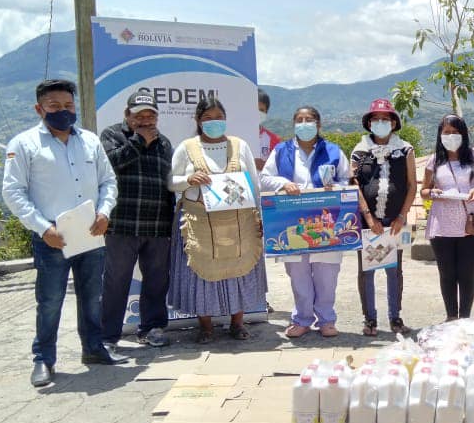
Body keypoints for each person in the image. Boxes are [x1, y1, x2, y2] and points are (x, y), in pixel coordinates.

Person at [2, 79, 127, 387]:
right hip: (52, 238)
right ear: (39, 108)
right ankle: (43, 360)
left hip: (90, 234)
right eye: (55, 107)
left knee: (92, 297)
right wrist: (43, 228)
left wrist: (104, 212)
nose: (63, 112)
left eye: (68, 106)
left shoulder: (90, 141)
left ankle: (94, 349)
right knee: (50, 300)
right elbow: (13, 192)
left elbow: (107, 182)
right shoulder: (25, 144)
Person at [168, 97, 267, 344]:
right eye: (208, 118)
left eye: (218, 117)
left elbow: (254, 184)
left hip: (240, 221)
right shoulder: (187, 147)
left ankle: (237, 323)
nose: (214, 122)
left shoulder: (239, 146)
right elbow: (171, 182)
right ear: (198, 121)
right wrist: (189, 179)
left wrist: (260, 217)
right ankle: (206, 327)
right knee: (202, 271)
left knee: (240, 270)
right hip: (200, 221)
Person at [260, 106, 350, 338]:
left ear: (318, 124)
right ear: (294, 125)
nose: (304, 124)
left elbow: (347, 181)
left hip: (326, 222)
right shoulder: (282, 151)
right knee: (298, 274)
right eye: (299, 120)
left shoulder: (333, 151)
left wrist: (335, 187)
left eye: (309, 120)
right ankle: (301, 319)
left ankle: (327, 320)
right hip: (293, 221)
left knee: (327, 274)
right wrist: (283, 184)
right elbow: (265, 178)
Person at [98, 91, 175, 349]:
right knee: (116, 282)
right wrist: (139, 142)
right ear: (126, 115)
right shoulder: (111, 135)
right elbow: (108, 166)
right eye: (138, 115)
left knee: (156, 281)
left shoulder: (164, 142)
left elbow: (168, 184)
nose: (145, 120)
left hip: (157, 226)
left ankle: (152, 329)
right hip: (121, 225)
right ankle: (108, 336)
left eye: (150, 115)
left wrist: (170, 224)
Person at [350, 99, 417, 336]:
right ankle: (369, 319)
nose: (380, 123)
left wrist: (402, 215)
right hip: (369, 224)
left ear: (394, 123)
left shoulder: (405, 150)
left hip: (395, 223)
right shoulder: (359, 151)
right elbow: (355, 185)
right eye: (376, 119)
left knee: (394, 270)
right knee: (367, 271)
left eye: (385, 119)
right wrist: (368, 218)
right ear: (369, 123)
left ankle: (395, 318)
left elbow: (411, 186)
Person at [420, 114, 474, 321]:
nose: (451, 136)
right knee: (447, 274)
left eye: (455, 132)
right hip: (442, 224)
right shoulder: (434, 160)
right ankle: (451, 317)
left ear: (463, 134)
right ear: (440, 135)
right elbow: (424, 191)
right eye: (447, 132)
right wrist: (433, 194)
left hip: (471, 222)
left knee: (467, 273)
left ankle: (465, 318)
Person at [257, 89, 281, 171]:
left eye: (261, 110)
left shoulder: (273, 139)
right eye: (254, 108)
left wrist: (264, 166)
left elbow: (278, 167)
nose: (257, 113)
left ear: (266, 112)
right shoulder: (235, 136)